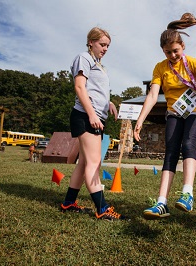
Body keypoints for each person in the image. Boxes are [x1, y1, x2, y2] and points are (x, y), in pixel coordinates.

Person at [134, 13, 196, 220]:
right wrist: (140, 120)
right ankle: (161, 203)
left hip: (195, 110)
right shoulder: (160, 68)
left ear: (182, 46)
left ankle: (187, 194)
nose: (173, 56)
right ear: (163, 51)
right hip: (174, 112)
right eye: (168, 53)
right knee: (170, 153)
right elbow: (152, 95)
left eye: (175, 51)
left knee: (188, 144)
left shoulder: (192, 63)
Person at [60, 27, 124, 220]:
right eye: (102, 44)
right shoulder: (84, 58)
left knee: (85, 163)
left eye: (107, 46)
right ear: (90, 42)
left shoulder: (98, 64)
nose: (105, 49)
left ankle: (69, 202)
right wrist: (92, 115)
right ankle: (102, 208)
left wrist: (109, 103)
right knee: (94, 164)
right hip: (86, 116)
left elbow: (95, 89)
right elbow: (80, 87)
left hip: (94, 115)